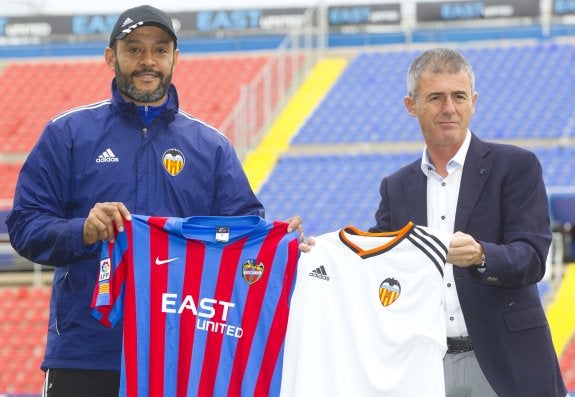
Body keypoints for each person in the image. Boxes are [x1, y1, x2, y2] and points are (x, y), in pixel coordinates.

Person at [5, 5, 307, 397]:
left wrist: (283, 246)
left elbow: (242, 239)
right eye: (134, 49)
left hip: (183, 354)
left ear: (175, 58)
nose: (148, 61)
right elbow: (25, 225)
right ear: (111, 56)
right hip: (88, 354)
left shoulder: (210, 147)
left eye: (160, 50)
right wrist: (82, 230)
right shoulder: (68, 134)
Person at [369, 48, 567, 397]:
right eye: (435, 97)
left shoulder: (517, 166)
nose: (449, 108)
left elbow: (533, 258)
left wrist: (482, 256)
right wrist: (312, 250)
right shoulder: (396, 186)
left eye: (458, 96)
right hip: (427, 365)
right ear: (411, 105)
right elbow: (374, 259)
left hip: (507, 364)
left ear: (473, 101)